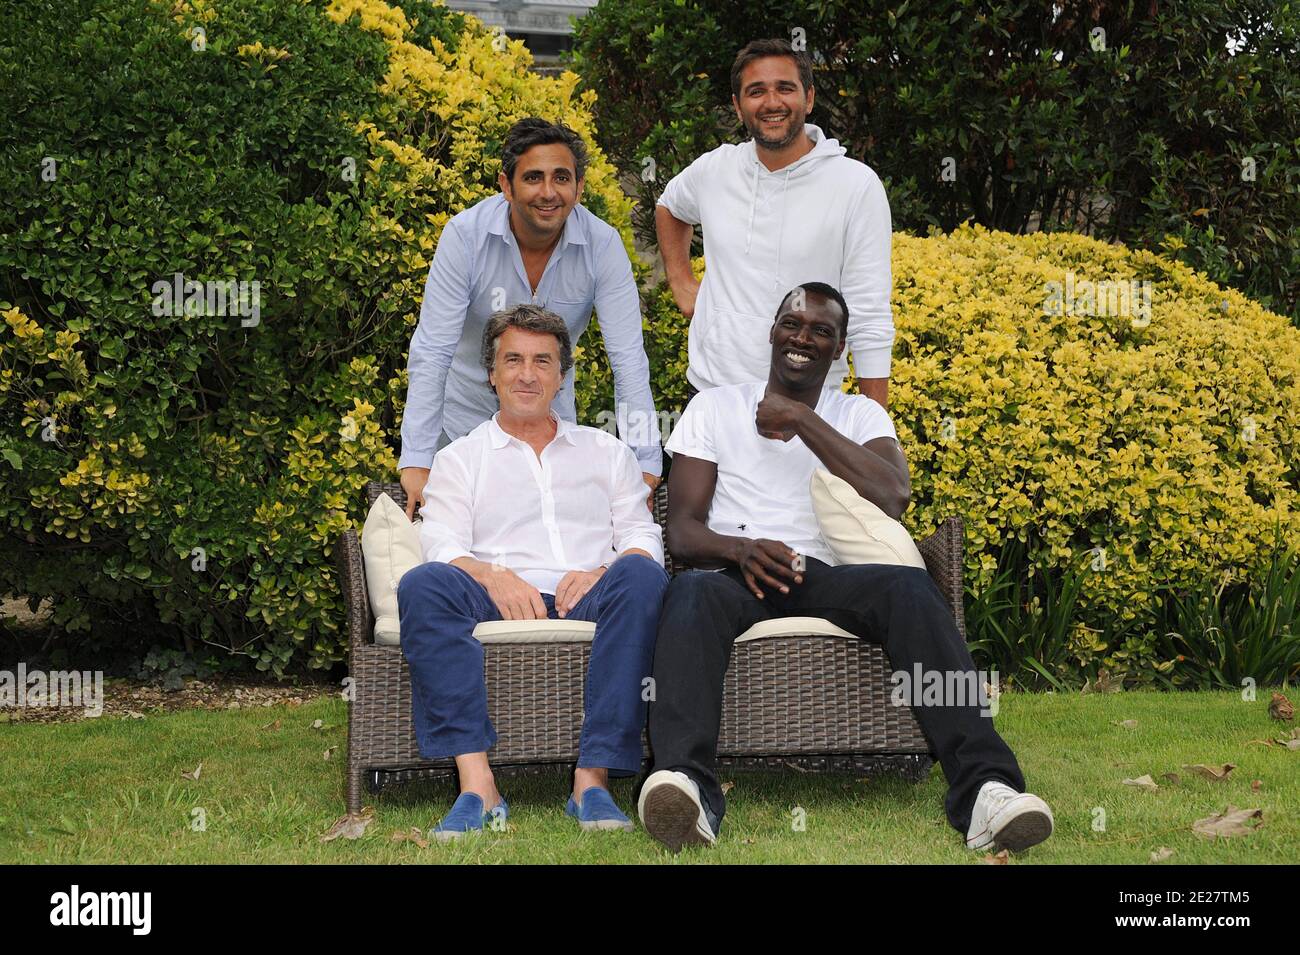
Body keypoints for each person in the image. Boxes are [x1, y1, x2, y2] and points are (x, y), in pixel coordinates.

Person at [638, 282, 1053, 854]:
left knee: (908, 588)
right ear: (772, 331)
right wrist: (741, 550)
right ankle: (689, 787)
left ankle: (986, 789)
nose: (802, 337)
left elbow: (893, 493)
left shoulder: (858, 413)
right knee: (688, 595)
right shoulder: (713, 406)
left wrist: (801, 420)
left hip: (823, 573)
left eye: (821, 331)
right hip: (734, 571)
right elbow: (681, 533)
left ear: (839, 351)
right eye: (792, 323)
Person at [397, 305, 669, 839]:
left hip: (587, 592)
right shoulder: (461, 458)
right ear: (491, 373)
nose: (528, 374)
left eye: (542, 361)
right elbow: (441, 541)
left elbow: (642, 535)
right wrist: (491, 575)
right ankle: (478, 786)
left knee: (640, 578)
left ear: (561, 375)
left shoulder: (606, 451)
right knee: (423, 584)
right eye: (513, 360)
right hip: (491, 594)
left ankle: (591, 783)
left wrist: (601, 569)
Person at [400, 118, 662, 519]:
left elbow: (627, 360)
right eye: (533, 177)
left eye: (561, 178)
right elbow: (432, 350)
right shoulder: (464, 236)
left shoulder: (602, 245)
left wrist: (644, 461)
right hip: (460, 427)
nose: (548, 192)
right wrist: (417, 459)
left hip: (551, 430)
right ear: (506, 185)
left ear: (579, 188)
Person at [656, 39, 894, 408]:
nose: (772, 103)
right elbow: (669, 207)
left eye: (785, 88)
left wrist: (874, 433)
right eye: (756, 91)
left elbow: (869, 316)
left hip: (807, 403)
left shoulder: (856, 185)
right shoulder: (714, 169)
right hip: (710, 395)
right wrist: (682, 282)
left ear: (809, 98)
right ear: (737, 106)